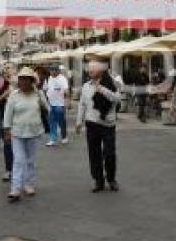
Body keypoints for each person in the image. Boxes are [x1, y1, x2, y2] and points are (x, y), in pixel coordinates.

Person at [2, 67, 49, 201]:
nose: (22, 82)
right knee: (18, 160)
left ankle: (29, 184)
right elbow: (7, 114)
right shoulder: (14, 95)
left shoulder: (38, 94)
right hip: (17, 132)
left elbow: (47, 109)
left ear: (31, 81)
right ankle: (15, 188)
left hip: (34, 132)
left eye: (25, 79)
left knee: (31, 160)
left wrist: (42, 102)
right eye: (20, 79)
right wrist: (6, 130)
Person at [76, 60, 122, 192]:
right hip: (92, 125)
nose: (89, 70)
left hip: (108, 124)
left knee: (109, 153)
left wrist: (102, 90)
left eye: (93, 68)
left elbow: (117, 99)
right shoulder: (86, 86)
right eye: (89, 68)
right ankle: (98, 180)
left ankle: (111, 178)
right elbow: (82, 104)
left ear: (101, 69)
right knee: (94, 153)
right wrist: (79, 121)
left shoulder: (113, 84)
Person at [44, 65, 69, 147]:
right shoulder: (49, 78)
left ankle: (64, 136)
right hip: (51, 103)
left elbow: (66, 90)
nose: (52, 72)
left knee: (61, 121)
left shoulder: (62, 78)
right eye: (51, 70)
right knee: (52, 122)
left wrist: (67, 102)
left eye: (54, 70)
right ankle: (53, 139)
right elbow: (46, 89)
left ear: (58, 71)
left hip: (60, 104)